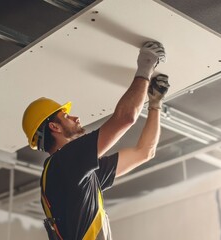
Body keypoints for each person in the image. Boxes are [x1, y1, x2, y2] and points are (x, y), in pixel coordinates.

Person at [22, 41, 170, 240]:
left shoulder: (71, 170)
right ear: (54, 127)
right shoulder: (66, 162)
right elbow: (125, 118)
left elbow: (144, 152)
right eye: (66, 116)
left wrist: (155, 105)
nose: (75, 118)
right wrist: (147, 63)